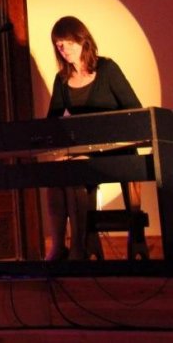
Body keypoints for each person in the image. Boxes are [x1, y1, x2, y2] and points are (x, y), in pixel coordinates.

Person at [43, 15, 141, 261]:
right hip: (84, 152)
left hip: (115, 152)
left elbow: (134, 111)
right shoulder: (62, 80)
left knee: (74, 171)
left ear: (82, 40)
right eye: (59, 45)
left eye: (68, 42)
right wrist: (58, 151)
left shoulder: (107, 69)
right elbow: (52, 123)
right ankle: (58, 247)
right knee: (54, 175)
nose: (64, 49)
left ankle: (79, 248)